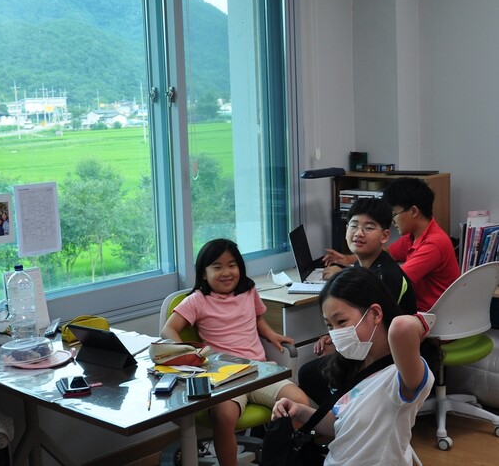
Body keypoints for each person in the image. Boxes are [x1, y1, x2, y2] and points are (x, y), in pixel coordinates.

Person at [161, 238, 309, 466]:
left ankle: (276, 457)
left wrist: (271, 334)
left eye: (232, 265)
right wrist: (190, 355)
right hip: (225, 378)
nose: (226, 272)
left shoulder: (249, 291)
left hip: (259, 370)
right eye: (217, 267)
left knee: (300, 403)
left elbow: (257, 317)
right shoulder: (198, 300)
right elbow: (168, 329)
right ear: (203, 273)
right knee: (223, 416)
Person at [271, 267, 440, 466]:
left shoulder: (401, 376)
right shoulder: (356, 365)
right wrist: (300, 411)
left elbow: (402, 327)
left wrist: (424, 322)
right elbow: (343, 426)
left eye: (341, 322)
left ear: (376, 313)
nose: (335, 333)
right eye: (329, 325)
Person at [300, 197, 417, 404]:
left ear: (385, 236)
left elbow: (377, 330)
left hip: (386, 357)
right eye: (353, 225)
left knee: (310, 374)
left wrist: (340, 345)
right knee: (312, 371)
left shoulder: (387, 275)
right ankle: (344, 419)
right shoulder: (361, 269)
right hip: (367, 349)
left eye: (369, 227)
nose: (359, 233)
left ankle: (348, 419)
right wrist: (336, 335)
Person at [323, 177, 459, 312]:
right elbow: (387, 251)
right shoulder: (413, 236)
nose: (392, 220)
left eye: (394, 213)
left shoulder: (434, 244)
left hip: (430, 316)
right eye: (354, 226)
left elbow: (396, 279)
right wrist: (348, 259)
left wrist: (342, 275)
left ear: (413, 211)